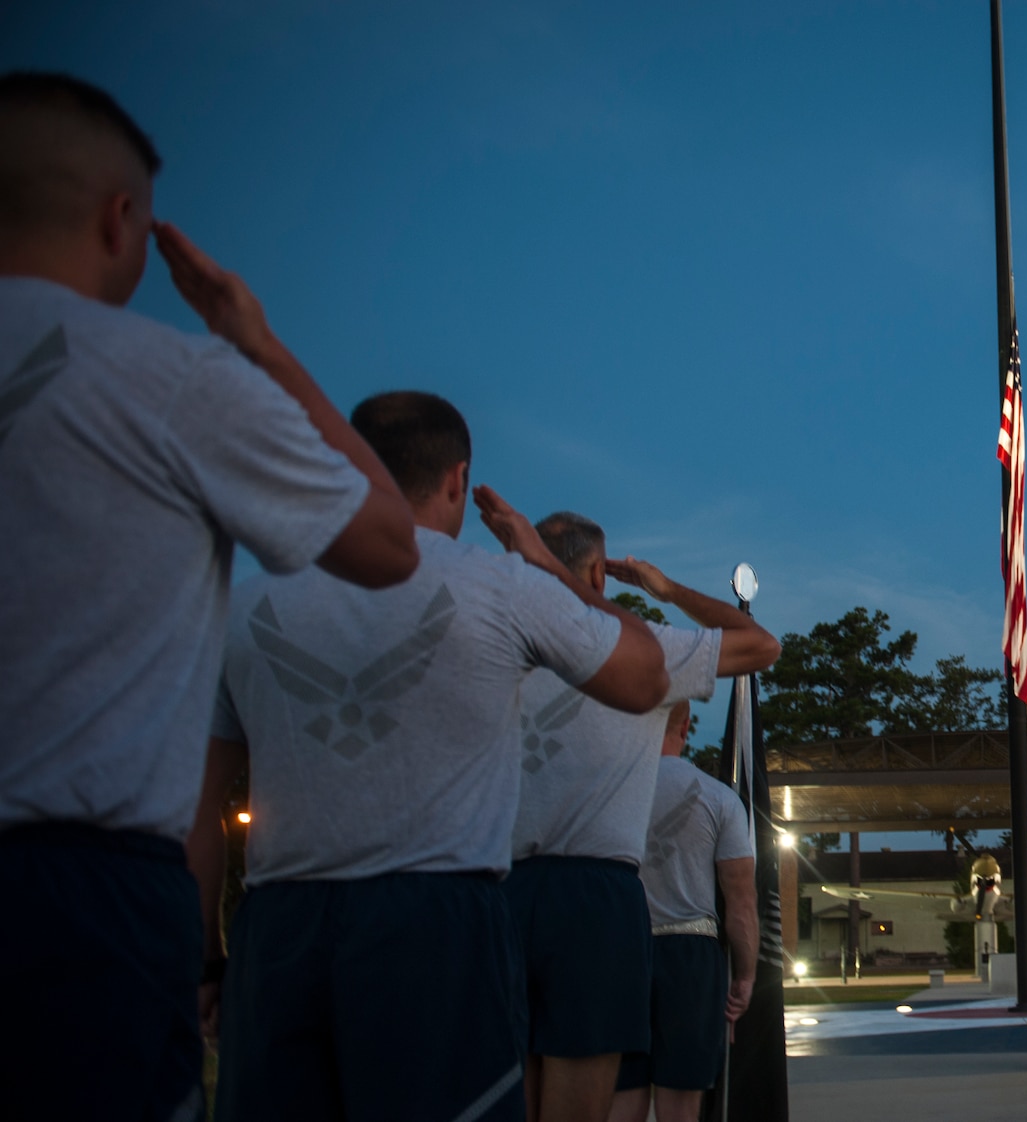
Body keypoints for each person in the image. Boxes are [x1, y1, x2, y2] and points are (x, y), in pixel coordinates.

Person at [0, 72, 418, 1120]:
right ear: (120, 220)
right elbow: (386, 542)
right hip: (72, 891)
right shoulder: (169, 381)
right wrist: (256, 342)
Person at [191, 391, 670, 1122]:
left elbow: (196, 805)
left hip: (280, 923)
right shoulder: (499, 587)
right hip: (435, 921)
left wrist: (208, 958)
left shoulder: (247, 607)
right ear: (458, 479)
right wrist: (549, 566)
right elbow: (646, 678)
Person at [509, 512, 779, 1122]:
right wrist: (665, 591)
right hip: (594, 892)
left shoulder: (495, 635)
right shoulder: (636, 649)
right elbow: (760, 645)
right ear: (601, 575)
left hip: (501, 886)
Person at [608, 701, 760, 1122]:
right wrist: (745, 977)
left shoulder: (607, 792)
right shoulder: (719, 799)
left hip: (620, 951)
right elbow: (741, 904)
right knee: (681, 1104)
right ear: (686, 724)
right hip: (690, 957)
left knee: (623, 1094)